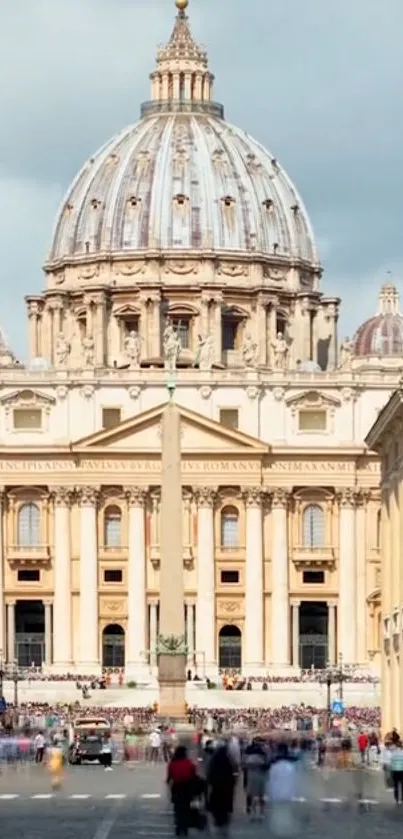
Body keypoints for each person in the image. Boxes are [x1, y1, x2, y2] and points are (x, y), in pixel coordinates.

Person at [266, 742, 298, 836]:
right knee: (286, 811)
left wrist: (269, 793)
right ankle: (286, 828)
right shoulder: (291, 767)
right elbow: (294, 780)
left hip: (276, 793)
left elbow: (270, 780)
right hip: (288, 793)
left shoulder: (274, 767)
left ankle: (278, 829)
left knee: (277, 813)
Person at [167, 745, 197, 837]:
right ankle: (185, 827)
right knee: (186, 807)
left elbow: (169, 778)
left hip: (176, 787)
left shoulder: (172, 764)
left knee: (177, 808)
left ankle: (178, 825)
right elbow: (193, 776)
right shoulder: (189, 763)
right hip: (187, 787)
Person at [207, 743, 236, 836]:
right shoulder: (228, 762)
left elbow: (210, 776)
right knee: (225, 807)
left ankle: (218, 821)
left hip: (216, 789)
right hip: (227, 789)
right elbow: (233, 776)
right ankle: (224, 823)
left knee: (217, 806)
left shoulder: (214, 762)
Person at [390, 740, 403, 805]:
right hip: (402, 771)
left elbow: (391, 763)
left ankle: (397, 799)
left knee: (396, 786)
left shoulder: (393, 753)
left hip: (395, 771)